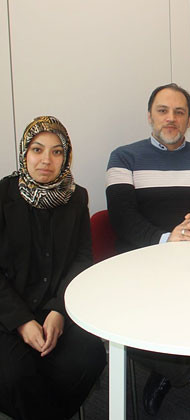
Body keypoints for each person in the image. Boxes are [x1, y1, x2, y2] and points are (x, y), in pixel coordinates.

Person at [106, 83, 190, 420]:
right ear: (150, 116)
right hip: (141, 265)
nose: (171, 118)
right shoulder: (123, 157)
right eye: (163, 110)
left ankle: (170, 368)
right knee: (120, 322)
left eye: (179, 112)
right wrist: (167, 238)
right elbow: (122, 220)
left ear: (189, 119)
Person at [0, 116, 106, 419]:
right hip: (7, 313)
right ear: (24, 154)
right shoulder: (3, 195)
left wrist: (58, 311)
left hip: (55, 307)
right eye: (37, 149)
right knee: (16, 375)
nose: (46, 160)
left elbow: (82, 259)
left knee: (90, 357)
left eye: (57, 151)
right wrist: (22, 321)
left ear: (66, 157)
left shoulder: (76, 197)